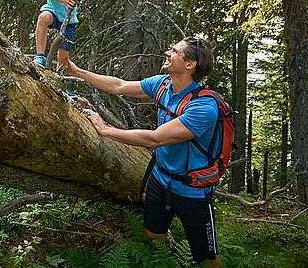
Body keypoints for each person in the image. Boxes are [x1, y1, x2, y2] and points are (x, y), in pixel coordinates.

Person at [67, 37, 222, 267]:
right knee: (153, 234)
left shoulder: (203, 108)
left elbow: (155, 138)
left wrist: (106, 130)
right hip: (160, 179)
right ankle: (167, 260)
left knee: (207, 258)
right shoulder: (163, 85)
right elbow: (119, 86)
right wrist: (78, 71)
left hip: (192, 191)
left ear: (190, 64)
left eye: (174, 51)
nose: (167, 52)